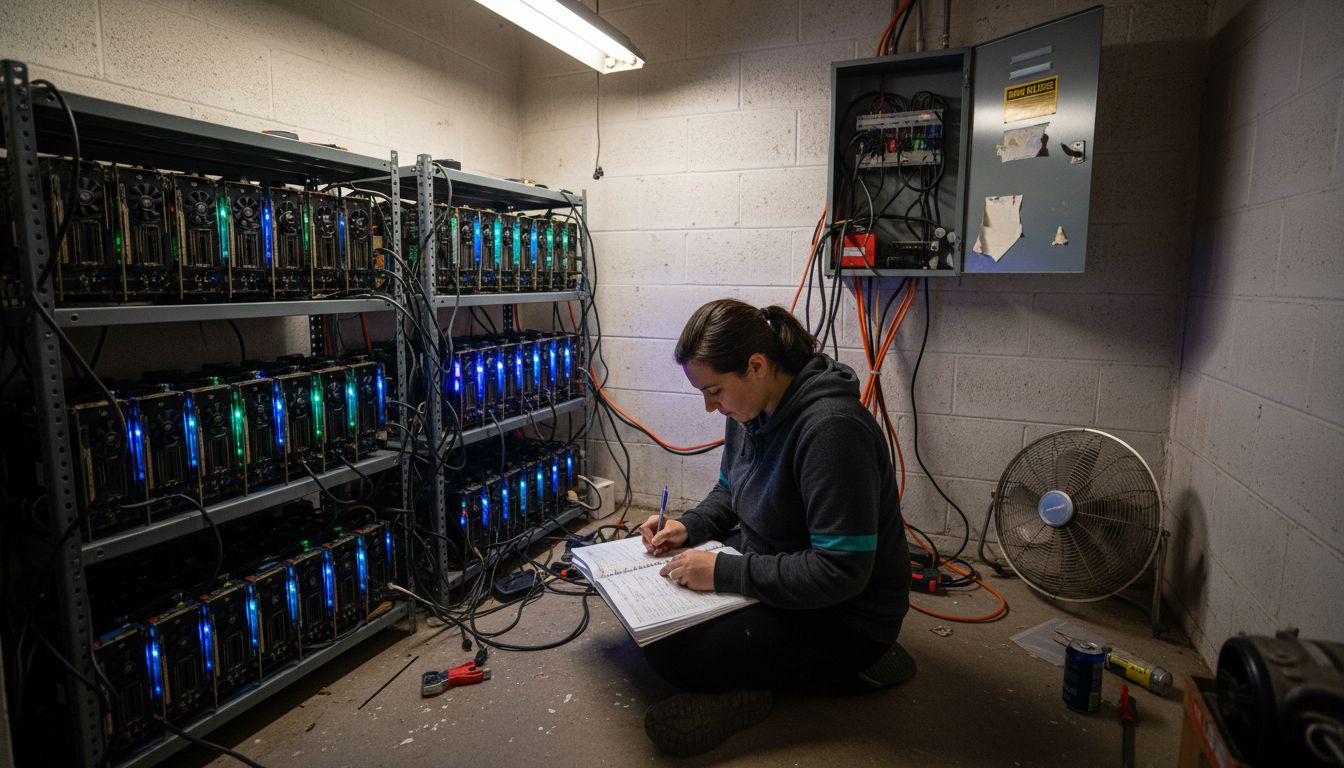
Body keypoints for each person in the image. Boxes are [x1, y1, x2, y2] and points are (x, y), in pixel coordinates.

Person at [634, 298, 914, 757]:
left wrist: (723, 574)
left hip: (848, 617)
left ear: (757, 366)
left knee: (671, 652)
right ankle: (760, 676)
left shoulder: (832, 431)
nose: (709, 407)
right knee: (656, 618)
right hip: (775, 558)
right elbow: (729, 492)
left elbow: (840, 572)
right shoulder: (748, 413)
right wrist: (688, 525)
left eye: (715, 390)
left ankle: (777, 686)